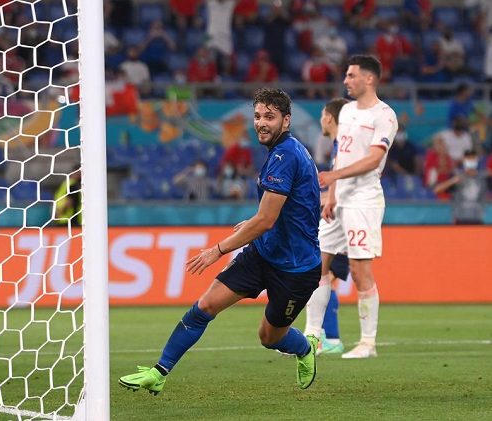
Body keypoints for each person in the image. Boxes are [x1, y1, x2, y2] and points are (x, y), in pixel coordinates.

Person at [119, 88, 322, 395]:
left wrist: (218, 249)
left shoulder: (285, 155)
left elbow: (266, 219)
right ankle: (159, 372)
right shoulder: (282, 151)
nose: (261, 123)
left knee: (270, 337)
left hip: (296, 269)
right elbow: (277, 211)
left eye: (270, 117)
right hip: (263, 254)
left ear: (286, 120)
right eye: (257, 116)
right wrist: (255, 224)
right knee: (205, 305)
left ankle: (305, 348)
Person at [304, 55, 398, 359]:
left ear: (369, 79)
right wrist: (331, 194)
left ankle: (368, 343)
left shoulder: (385, 115)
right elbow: (339, 158)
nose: (345, 80)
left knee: (360, 273)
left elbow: (373, 159)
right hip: (339, 199)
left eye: (351, 75)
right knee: (317, 266)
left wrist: (336, 177)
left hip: (364, 201)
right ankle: (312, 338)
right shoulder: (345, 114)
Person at [304, 97, 350, 355]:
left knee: (320, 274)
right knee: (322, 276)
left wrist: (328, 199)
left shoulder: (344, 145)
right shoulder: (338, 145)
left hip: (342, 217)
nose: (321, 119)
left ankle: (325, 337)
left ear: (330, 118)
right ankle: (323, 336)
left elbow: (346, 183)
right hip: (342, 214)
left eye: (322, 114)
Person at [433, 150, 487, 225]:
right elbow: (437, 190)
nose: (471, 161)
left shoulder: (483, 178)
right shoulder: (457, 176)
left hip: (477, 219)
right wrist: (453, 181)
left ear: (477, 160)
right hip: (460, 220)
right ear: (464, 160)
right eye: (468, 159)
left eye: (472, 159)